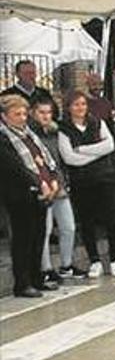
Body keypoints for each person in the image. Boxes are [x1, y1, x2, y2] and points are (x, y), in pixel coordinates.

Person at [58, 90, 115, 278]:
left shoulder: (97, 123)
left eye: (83, 104)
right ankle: (94, 260)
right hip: (82, 182)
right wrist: (97, 154)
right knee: (87, 221)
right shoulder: (64, 129)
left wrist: (84, 150)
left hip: (104, 179)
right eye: (76, 104)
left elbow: (109, 145)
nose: (80, 108)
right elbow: (69, 158)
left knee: (111, 220)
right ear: (69, 107)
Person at [0, 95, 60, 297]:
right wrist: (38, 182)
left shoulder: (29, 134)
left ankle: (36, 278)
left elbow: (43, 158)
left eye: (24, 113)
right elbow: (16, 167)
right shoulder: (4, 138)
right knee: (23, 239)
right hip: (20, 194)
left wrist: (52, 178)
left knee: (39, 237)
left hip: (40, 194)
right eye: (17, 114)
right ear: (4, 116)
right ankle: (22, 283)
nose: (22, 117)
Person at [30, 99, 85, 280]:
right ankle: (45, 269)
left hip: (59, 185)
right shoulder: (30, 135)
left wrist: (64, 181)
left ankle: (66, 264)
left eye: (48, 112)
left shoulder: (57, 133)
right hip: (42, 187)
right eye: (41, 112)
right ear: (34, 113)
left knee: (68, 227)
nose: (46, 116)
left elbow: (61, 160)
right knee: (44, 229)